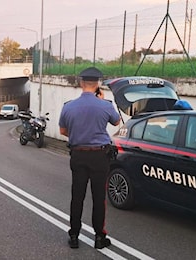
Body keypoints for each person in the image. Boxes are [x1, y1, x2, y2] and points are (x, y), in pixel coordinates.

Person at [59, 67, 120, 250]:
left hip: (78, 154)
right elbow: (116, 121)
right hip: (99, 157)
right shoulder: (105, 105)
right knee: (99, 198)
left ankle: (74, 236)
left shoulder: (68, 106)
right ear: (98, 85)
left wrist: (78, 135)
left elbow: (63, 131)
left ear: (81, 83)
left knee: (77, 197)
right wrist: (101, 101)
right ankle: (99, 238)